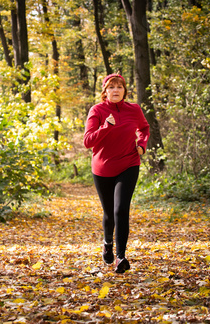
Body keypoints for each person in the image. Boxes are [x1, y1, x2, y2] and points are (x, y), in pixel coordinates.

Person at [83, 73, 150, 273]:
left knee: (121, 209)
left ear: (124, 91)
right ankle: (107, 244)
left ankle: (121, 257)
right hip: (103, 168)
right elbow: (88, 141)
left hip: (129, 163)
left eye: (119, 87)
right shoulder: (97, 110)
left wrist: (142, 145)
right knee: (109, 213)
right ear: (105, 91)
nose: (116, 90)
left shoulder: (134, 109)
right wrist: (106, 126)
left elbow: (144, 129)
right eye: (111, 87)